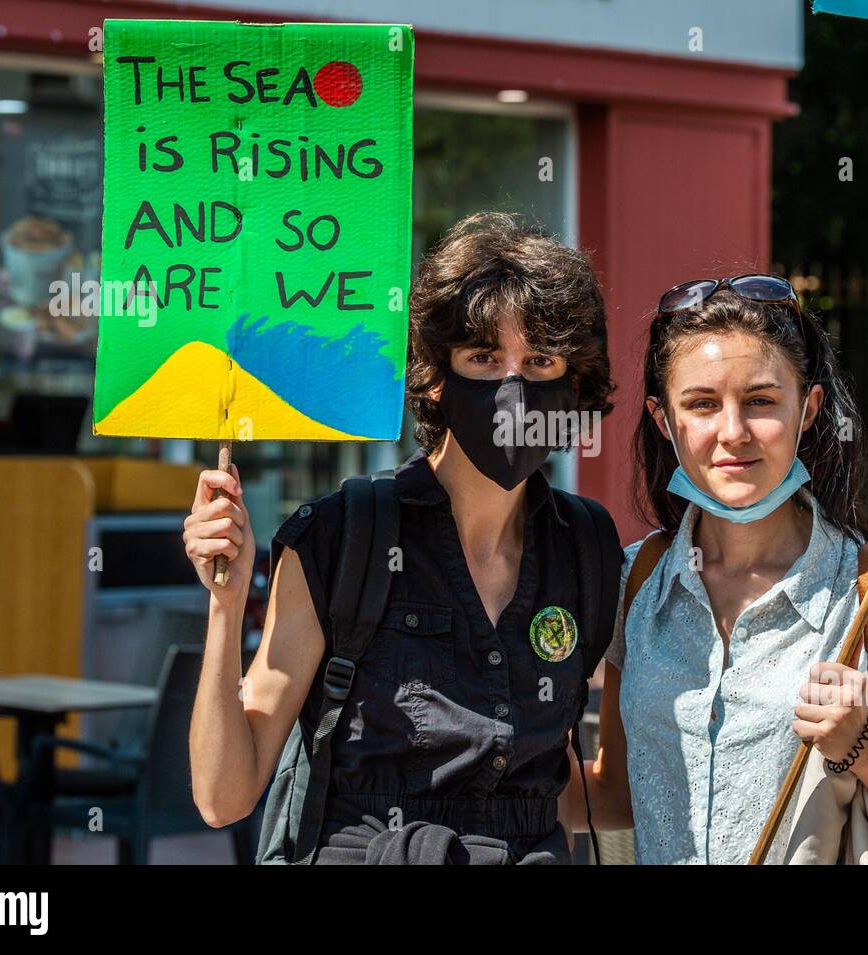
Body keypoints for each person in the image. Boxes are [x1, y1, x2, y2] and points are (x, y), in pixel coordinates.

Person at [184, 211, 622, 864]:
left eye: (539, 360)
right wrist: (224, 604)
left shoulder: (587, 550)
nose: (512, 388)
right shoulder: (341, 538)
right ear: (436, 379)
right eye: (483, 357)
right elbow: (226, 796)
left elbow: (602, 796)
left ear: (574, 383)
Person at [567, 273, 868, 864]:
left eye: (761, 402)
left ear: (809, 409)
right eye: (701, 404)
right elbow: (616, 797)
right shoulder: (636, 583)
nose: (733, 432)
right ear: (664, 420)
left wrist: (865, 749)